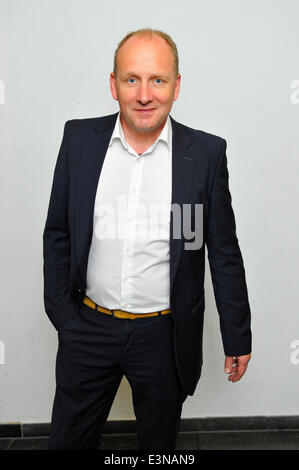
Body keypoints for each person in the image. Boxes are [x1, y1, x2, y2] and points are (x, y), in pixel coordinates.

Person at [43, 28, 252, 450]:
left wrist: (238, 335)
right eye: (131, 79)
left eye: (157, 80)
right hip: (88, 328)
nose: (144, 95)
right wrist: (64, 316)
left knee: (157, 449)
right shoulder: (79, 140)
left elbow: (223, 252)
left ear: (177, 87)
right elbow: (58, 233)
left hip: (164, 336)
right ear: (113, 85)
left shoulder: (205, 155)